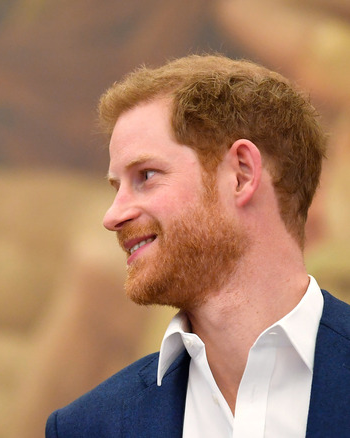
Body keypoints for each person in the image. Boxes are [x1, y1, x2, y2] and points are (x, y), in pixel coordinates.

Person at [45, 54, 350, 437]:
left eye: (146, 175)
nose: (112, 216)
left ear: (241, 175)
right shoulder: (87, 427)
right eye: (116, 186)